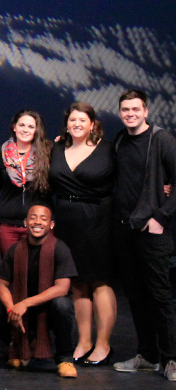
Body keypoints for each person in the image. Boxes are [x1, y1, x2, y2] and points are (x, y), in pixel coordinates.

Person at [110, 89, 176, 381]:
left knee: (160, 297)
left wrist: (160, 217)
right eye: (125, 109)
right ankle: (148, 356)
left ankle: (172, 359)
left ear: (146, 111)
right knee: (136, 298)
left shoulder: (161, 139)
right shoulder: (121, 140)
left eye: (136, 109)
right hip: (125, 230)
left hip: (152, 231)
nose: (130, 114)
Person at [49, 102, 116, 366]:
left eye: (82, 120)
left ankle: (103, 344)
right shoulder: (56, 147)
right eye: (72, 120)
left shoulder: (108, 150)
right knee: (77, 283)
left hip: (98, 220)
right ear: (67, 124)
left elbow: (135, 175)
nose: (77, 124)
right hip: (67, 222)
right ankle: (84, 341)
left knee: (99, 281)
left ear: (92, 124)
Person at [0, 204, 78, 378]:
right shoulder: (16, 250)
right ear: (25, 222)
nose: (37, 222)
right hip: (22, 311)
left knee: (62, 305)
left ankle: (64, 358)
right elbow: (1, 284)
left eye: (43, 219)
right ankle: (24, 344)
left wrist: (24, 303)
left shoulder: (59, 248)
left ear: (51, 225)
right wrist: (11, 309)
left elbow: (62, 288)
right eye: (33, 217)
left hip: (48, 311)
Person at [0, 110, 52, 256]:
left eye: (31, 127)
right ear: (14, 127)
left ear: (37, 130)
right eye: (22, 125)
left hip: (38, 224)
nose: (25, 130)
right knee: (12, 272)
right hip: (9, 225)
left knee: (38, 270)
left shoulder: (48, 152)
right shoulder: (2, 152)